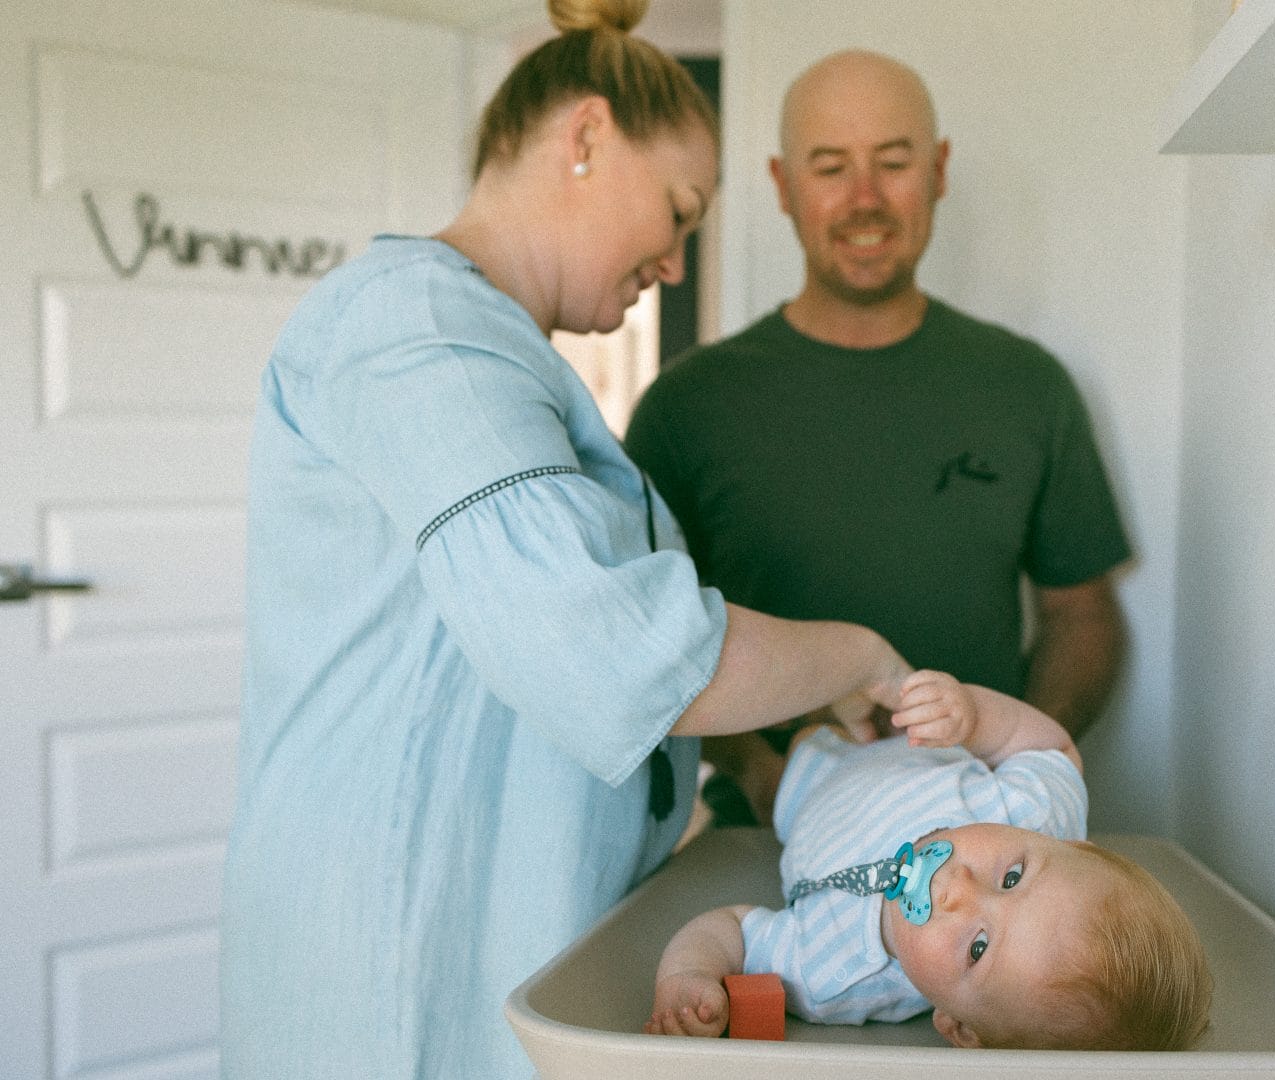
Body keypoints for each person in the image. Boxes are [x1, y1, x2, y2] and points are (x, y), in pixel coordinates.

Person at [219, 5, 913, 1079]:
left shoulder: (492, 353)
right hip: (401, 941)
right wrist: (857, 659)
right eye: (680, 213)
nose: (677, 266)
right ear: (586, 137)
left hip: (473, 912)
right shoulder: (416, 333)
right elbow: (614, 648)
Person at [623, 48, 1130, 825]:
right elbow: (645, 642)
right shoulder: (685, 408)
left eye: (893, 163)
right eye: (829, 168)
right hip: (766, 840)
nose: (865, 199)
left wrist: (1015, 756)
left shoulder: (1027, 385)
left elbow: (1083, 615)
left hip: (985, 835)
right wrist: (765, 781)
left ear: (939, 170)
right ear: (783, 186)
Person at [644, 670, 1211, 1050]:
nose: (959, 888)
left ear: (958, 1027)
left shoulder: (839, 977)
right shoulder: (1034, 813)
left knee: (766, 767)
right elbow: (1052, 748)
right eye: (1011, 876)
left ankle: (734, 752)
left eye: (978, 946)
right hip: (900, 746)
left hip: (803, 797)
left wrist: (687, 975)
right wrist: (974, 716)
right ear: (1071, 845)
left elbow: (733, 930)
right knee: (817, 693)